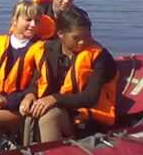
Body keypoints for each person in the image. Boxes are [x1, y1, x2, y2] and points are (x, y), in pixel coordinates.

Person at [20, 9, 118, 142]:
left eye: (87, 37)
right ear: (60, 34)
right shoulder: (47, 50)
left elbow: (90, 98)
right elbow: (37, 81)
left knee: (50, 116)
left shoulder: (99, 56)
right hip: (59, 107)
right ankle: (25, 153)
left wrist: (54, 99)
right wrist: (30, 95)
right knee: (29, 113)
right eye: (76, 38)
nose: (82, 42)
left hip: (86, 117)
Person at [0, 0, 46, 149]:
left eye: (37, 21)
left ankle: (7, 148)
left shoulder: (40, 48)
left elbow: (36, 85)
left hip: (19, 105)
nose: (33, 25)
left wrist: (7, 101)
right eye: (28, 20)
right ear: (15, 20)